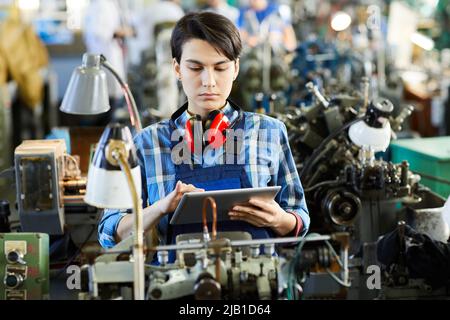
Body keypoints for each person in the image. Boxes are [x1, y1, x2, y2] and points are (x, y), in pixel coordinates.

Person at [98, 12, 309, 256]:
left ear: (236, 68)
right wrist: (160, 208)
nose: (208, 81)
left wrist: (279, 220)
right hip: (172, 286)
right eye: (196, 68)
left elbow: (299, 218)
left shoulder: (269, 132)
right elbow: (108, 234)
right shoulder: (147, 144)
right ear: (177, 68)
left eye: (220, 68)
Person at [83, 0, 135, 121]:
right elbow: (101, 32)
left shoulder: (105, 4)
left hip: (106, 59)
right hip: (104, 59)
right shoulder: (102, 5)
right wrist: (124, 31)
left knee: (110, 104)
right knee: (104, 109)